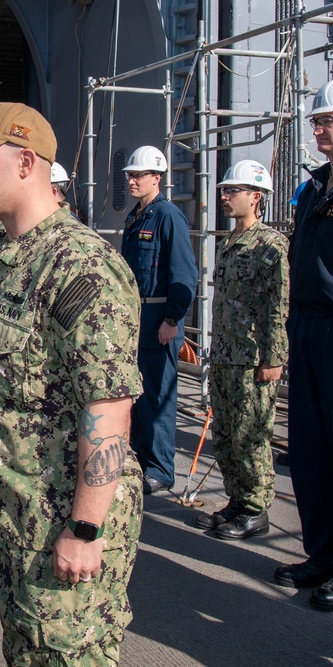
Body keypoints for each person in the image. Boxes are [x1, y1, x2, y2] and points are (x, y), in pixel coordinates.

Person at [0, 102, 143, 665]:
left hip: (58, 515)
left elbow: (107, 407)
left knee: (66, 656)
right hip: (8, 512)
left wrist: (84, 528)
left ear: (25, 162)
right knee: (25, 653)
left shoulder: (80, 266)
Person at [194, 160, 288, 541]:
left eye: (234, 190)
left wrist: (274, 357)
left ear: (257, 196)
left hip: (252, 359)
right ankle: (237, 498)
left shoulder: (271, 244)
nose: (226, 196)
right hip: (226, 355)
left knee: (252, 433)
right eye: (225, 190)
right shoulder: (231, 240)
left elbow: (278, 305)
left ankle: (256, 508)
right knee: (228, 432)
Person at [275, 80, 333, 612]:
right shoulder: (316, 188)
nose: (319, 129)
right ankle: (321, 553)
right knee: (310, 450)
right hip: (309, 325)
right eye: (317, 122)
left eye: (328, 120)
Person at [120, 145, 198, 495]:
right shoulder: (136, 217)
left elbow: (184, 272)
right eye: (129, 175)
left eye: (138, 175)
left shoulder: (167, 216)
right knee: (138, 394)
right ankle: (139, 459)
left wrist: (172, 319)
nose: (132, 180)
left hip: (159, 316)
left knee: (159, 395)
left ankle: (162, 469)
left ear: (157, 178)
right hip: (138, 315)